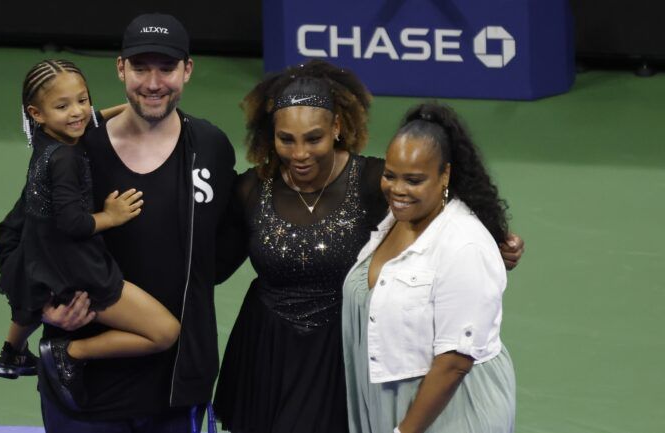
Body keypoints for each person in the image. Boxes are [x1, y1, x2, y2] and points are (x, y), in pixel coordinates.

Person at [213, 62, 523, 432]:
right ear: (272, 135)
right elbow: (214, 266)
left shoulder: (378, 182)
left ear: (337, 128)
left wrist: (495, 238)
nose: (299, 153)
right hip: (266, 351)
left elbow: (441, 200)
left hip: (341, 354)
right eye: (286, 139)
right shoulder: (250, 190)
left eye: (313, 138)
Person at [0, 14, 237, 432]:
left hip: (176, 388)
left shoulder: (210, 147)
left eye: (167, 68)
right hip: (84, 393)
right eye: (141, 68)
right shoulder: (75, 151)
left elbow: (227, 246)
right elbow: (19, 235)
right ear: (120, 68)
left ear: (188, 70)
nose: (154, 82)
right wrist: (45, 308)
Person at [0, 58, 182, 410]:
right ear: (36, 113)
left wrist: (136, 104)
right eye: (63, 105)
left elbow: (91, 118)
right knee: (165, 332)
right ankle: (67, 354)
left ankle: (11, 354)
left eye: (82, 100)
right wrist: (111, 216)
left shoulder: (48, 136)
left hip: (40, 256)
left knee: (27, 306)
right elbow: (73, 223)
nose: (78, 112)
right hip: (76, 269)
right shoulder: (64, 159)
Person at [341, 102, 516, 433]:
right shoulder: (393, 221)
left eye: (414, 179)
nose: (398, 189)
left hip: (451, 409)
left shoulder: (465, 244)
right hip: (393, 400)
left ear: (445, 174)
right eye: (390, 175)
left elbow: (454, 363)